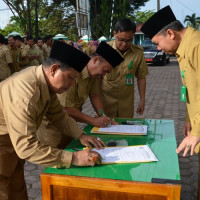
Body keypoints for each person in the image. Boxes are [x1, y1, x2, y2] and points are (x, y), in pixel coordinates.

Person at [0, 41, 104, 200]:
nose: (71, 85)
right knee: (5, 190)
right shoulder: (26, 93)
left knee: (16, 187)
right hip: (4, 143)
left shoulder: (44, 83)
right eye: (70, 78)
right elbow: (26, 147)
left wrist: (81, 135)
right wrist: (73, 158)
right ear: (54, 69)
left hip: (12, 142)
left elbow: (58, 115)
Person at [140, 5, 200, 198]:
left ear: (170, 33)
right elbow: (192, 90)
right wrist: (189, 119)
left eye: (158, 43)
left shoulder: (197, 46)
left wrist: (197, 132)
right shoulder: (184, 48)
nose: (159, 49)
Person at [37, 41, 124, 147]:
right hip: (54, 128)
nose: (104, 75)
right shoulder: (72, 73)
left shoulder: (93, 75)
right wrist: (93, 121)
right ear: (96, 60)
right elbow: (65, 108)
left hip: (71, 125)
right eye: (104, 70)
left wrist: (103, 117)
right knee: (55, 158)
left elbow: (95, 96)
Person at [99, 19, 149, 118]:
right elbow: (96, 78)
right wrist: (98, 107)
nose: (124, 44)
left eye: (129, 40)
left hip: (126, 105)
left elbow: (141, 77)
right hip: (105, 104)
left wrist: (142, 100)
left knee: (126, 130)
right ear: (115, 34)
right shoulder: (104, 50)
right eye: (121, 40)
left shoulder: (138, 53)